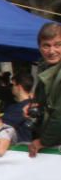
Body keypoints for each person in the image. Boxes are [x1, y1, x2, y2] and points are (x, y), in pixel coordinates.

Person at [28, 22, 61, 158]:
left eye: (57, 45)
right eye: (46, 45)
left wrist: (43, 141)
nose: (52, 51)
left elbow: (59, 115)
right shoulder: (45, 68)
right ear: (40, 48)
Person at [1, 71, 33, 143]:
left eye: (12, 85)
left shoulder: (15, 109)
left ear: (19, 87)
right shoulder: (36, 105)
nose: (11, 87)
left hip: (20, 149)